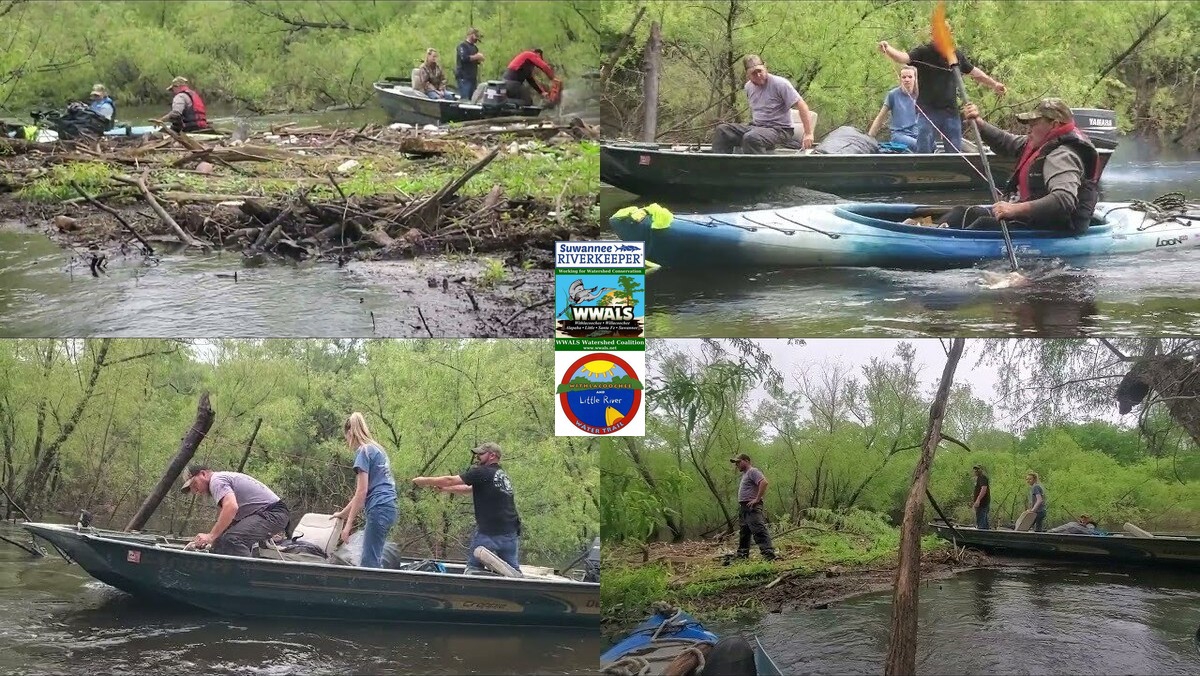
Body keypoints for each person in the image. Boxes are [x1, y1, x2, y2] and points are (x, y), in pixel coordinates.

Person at [937, 99, 1101, 233]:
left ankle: (941, 241)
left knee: (983, 225)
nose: (1029, 130)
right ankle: (931, 229)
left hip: (1051, 228)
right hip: (1030, 219)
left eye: (1034, 124)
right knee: (964, 212)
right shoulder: (1040, 142)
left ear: (1054, 125)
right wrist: (980, 124)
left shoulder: (1062, 156)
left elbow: (1064, 200)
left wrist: (1015, 210)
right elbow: (1006, 142)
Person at [877, 25, 1006, 153]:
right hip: (927, 112)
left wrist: (994, 84)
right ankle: (924, 173)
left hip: (950, 112)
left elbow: (974, 72)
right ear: (933, 34)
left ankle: (952, 173)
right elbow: (903, 57)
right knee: (924, 150)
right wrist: (888, 49)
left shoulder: (955, 55)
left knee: (954, 151)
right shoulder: (924, 52)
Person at [412, 442, 522, 573]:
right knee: (513, 573)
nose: (477, 457)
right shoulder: (500, 475)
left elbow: (450, 480)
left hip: (489, 532)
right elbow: (468, 489)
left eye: (481, 454)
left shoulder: (482, 472)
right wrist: (446, 489)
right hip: (510, 532)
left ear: (492, 455)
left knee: (473, 569)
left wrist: (424, 481)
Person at [331, 412, 398, 568]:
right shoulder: (378, 450)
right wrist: (342, 514)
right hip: (389, 508)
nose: (347, 441)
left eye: (346, 437)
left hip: (378, 508)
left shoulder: (363, 452)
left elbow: (361, 492)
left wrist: (348, 526)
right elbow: (361, 494)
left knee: (369, 563)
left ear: (350, 433)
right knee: (374, 556)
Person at [711, 55, 814, 155]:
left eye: (759, 71)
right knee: (722, 130)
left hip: (780, 130)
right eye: (753, 73)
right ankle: (722, 167)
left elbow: (802, 105)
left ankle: (758, 171)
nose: (758, 75)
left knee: (752, 138)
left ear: (765, 68)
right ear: (747, 74)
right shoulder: (748, 87)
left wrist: (808, 133)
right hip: (757, 127)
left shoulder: (780, 84)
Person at [179, 465, 290, 557]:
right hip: (263, 514)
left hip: (273, 513)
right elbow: (229, 518)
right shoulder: (221, 482)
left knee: (233, 540)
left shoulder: (216, 481)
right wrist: (213, 540)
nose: (195, 491)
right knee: (220, 542)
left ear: (203, 474)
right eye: (192, 490)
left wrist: (211, 536)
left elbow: (231, 507)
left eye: (194, 484)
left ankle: (247, 578)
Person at [730, 453, 776, 561]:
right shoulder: (745, 474)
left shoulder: (752, 471)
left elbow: (764, 482)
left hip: (752, 506)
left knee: (758, 529)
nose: (737, 465)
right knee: (744, 532)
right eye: (736, 463)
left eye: (738, 462)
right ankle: (742, 555)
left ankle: (768, 554)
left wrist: (757, 499)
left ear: (746, 461)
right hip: (744, 507)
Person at [866, 66, 918, 151]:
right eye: (904, 77)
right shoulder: (893, 95)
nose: (907, 79)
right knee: (918, 145)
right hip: (899, 135)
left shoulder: (920, 95)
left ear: (915, 78)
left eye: (910, 77)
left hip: (917, 134)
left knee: (931, 145)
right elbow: (880, 117)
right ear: (900, 79)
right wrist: (869, 138)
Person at [455, 27, 485, 100]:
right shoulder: (462, 46)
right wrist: (476, 56)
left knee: (473, 98)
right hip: (464, 77)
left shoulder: (475, 48)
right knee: (465, 98)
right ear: (471, 35)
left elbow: (475, 60)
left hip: (473, 77)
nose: (476, 40)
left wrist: (479, 60)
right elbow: (464, 58)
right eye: (475, 37)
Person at [971, 464, 990, 530]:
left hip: (982, 503)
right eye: (975, 470)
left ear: (981, 470)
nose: (976, 471)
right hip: (981, 504)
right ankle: (985, 535)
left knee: (982, 524)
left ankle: (982, 535)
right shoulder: (979, 478)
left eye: (978, 469)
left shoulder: (982, 477)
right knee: (982, 521)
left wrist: (978, 500)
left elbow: (984, 489)